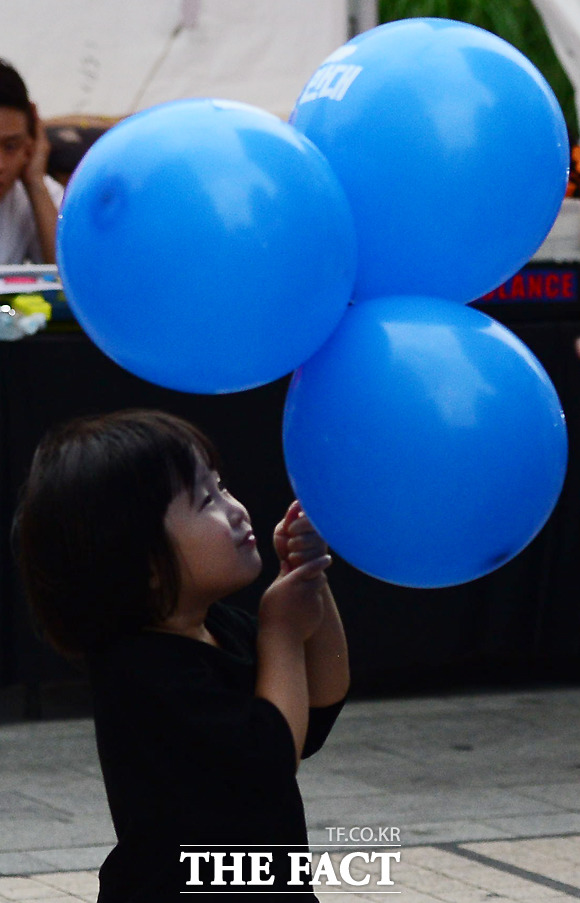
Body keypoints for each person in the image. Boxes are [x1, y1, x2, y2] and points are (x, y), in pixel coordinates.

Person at [13, 408, 350, 900]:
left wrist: (309, 580)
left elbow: (317, 708)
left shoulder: (218, 628)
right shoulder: (142, 670)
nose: (235, 508)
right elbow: (269, 758)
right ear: (143, 563)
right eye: (205, 500)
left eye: (222, 487)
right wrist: (280, 633)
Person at [0, 59, 64, 264]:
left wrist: (35, 184)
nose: (1, 165)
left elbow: (69, 276)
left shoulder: (32, 189)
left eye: (11, 146)